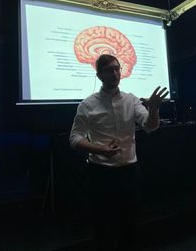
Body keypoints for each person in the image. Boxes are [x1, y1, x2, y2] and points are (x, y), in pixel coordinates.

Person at [69, 54, 168, 251]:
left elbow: (150, 126)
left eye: (117, 68)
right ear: (99, 75)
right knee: (102, 228)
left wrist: (154, 109)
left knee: (129, 226)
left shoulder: (131, 100)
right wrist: (100, 149)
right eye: (109, 70)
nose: (115, 73)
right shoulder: (87, 105)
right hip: (100, 175)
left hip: (129, 173)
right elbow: (74, 138)